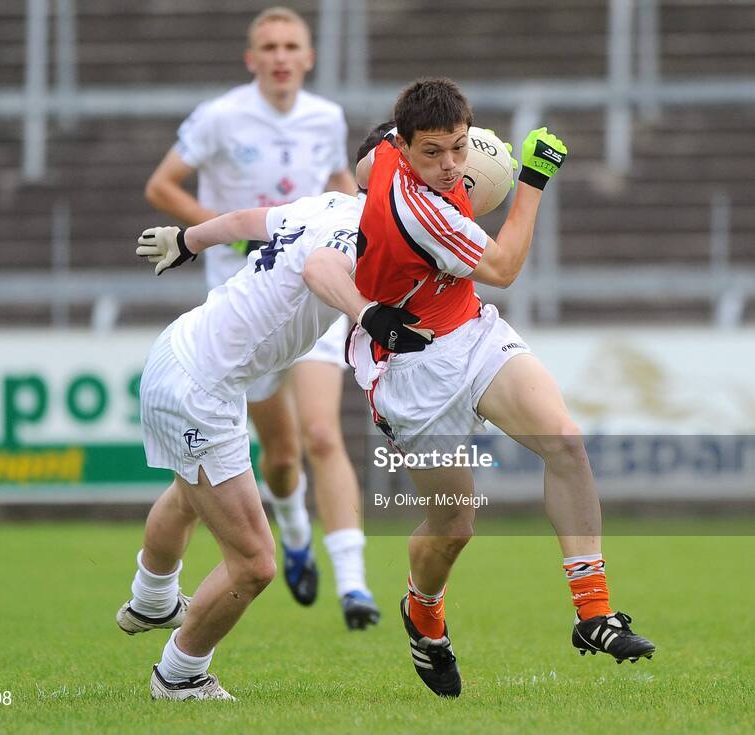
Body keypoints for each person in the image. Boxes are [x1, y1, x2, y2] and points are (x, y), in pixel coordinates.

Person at [347, 79, 656, 698]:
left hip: (472, 331)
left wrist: (468, 166)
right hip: (411, 368)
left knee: (565, 441)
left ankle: (593, 613)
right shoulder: (419, 210)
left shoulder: (386, 148)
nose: (449, 165)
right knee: (454, 527)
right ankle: (423, 612)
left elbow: (361, 164)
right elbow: (507, 268)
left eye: (459, 147)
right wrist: (532, 181)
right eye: (432, 153)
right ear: (405, 148)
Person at [116, 191, 431, 700]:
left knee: (188, 495)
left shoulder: (329, 203)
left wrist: (185, 240)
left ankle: (150, 600)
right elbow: (320, 270)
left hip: (184, 350)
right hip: (202, 387)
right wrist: (367, 314)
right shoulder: (357, 229)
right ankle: (179, 675)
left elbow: (246, 220)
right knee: (255, 563)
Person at [143, 6, 377, 628]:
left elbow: (340, 187)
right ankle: (295, 531)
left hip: (321, 293)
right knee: (280, 455)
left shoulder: (325, 117)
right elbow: (162, 184)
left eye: (290, 45)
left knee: (323, 435)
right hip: (250, 305)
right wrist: (206, 236)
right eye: (268, 46)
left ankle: (354, 588)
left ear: (308, 57)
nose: (279, 56)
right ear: (252, 59)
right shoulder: (222, 116)